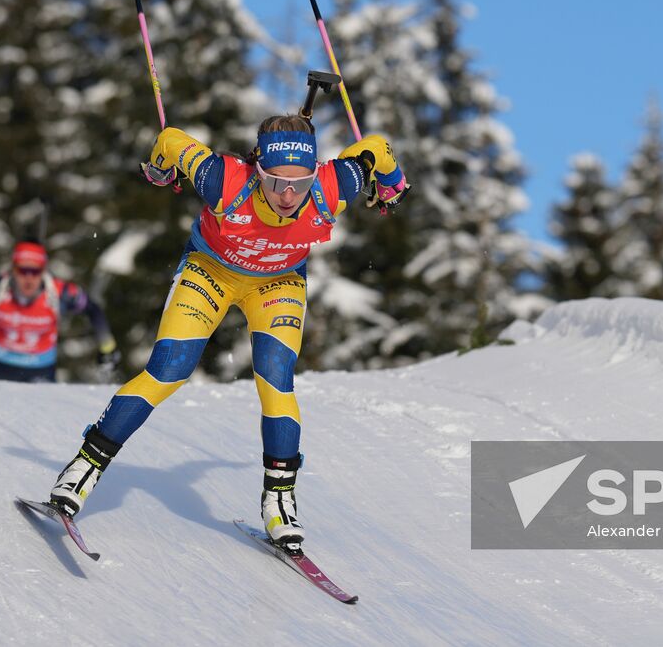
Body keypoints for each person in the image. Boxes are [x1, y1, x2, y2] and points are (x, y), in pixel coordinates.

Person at [46, 113, 407, 551]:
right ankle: (84, 467)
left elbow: (377, 150)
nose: (289, 195)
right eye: (276, 183)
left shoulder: (333, 185)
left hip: (277, 283)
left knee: (276, 379)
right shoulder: (224, 179)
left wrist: (392, 185)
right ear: (258, 172)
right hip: (211, 271)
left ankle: (279, 500)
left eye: (301, 181)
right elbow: (170, 139)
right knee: (169, 370)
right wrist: (161, 168)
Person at [0, 239, 120, 383]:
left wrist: (107, 346)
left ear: (43, 270)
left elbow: (93, 309)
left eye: (35, 271)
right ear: (13, 269)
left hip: (40, 371)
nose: (29, 278)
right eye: (23, 271)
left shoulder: (60, 293)